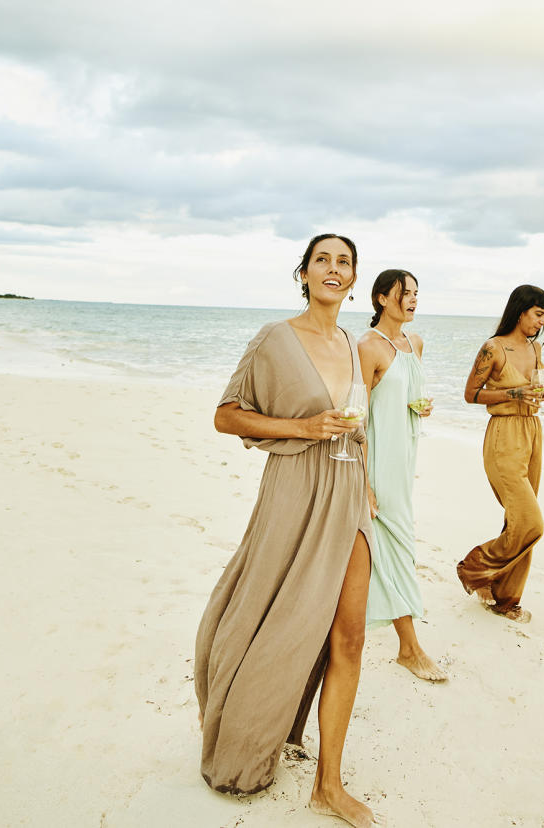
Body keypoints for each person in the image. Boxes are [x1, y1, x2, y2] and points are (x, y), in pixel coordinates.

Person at [195, 233, 382, 828]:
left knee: (348, 637)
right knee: (280, 619)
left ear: (354, 280)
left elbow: (358, 425)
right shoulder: (276, 339)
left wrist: (369, 484)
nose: (333, 269)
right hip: (295, 490)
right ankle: (246, 727)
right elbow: (227, 415)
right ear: (303, 274)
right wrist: (304, 429)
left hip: (349, 495)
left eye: (344, 262)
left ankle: (329, 784)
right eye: (322, 260)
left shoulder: (354, 344)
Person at [357, 269, 448, 683]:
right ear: (380, 299)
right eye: (403, 294)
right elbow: (358, 417)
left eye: (415, 293)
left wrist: (420, 407)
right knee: (396, 547)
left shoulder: (416, 343)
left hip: (405, 456)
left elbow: (408, 394)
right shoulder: (366, 347)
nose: (412, 300)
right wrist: (364, 482)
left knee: (394, 545)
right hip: (378, 461)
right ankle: (409, 648)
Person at [457, 285, 544, 624]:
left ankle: (505, 598)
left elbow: (533, 388)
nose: (542, 322)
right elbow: (471, 394)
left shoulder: (535, 348)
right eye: (539, 314)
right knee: (531, 523)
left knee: (516, 521)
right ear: (521, 311)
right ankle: (475, 567)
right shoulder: (493, 348)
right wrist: (515, 391)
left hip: (532, 434)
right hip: (503, 438)